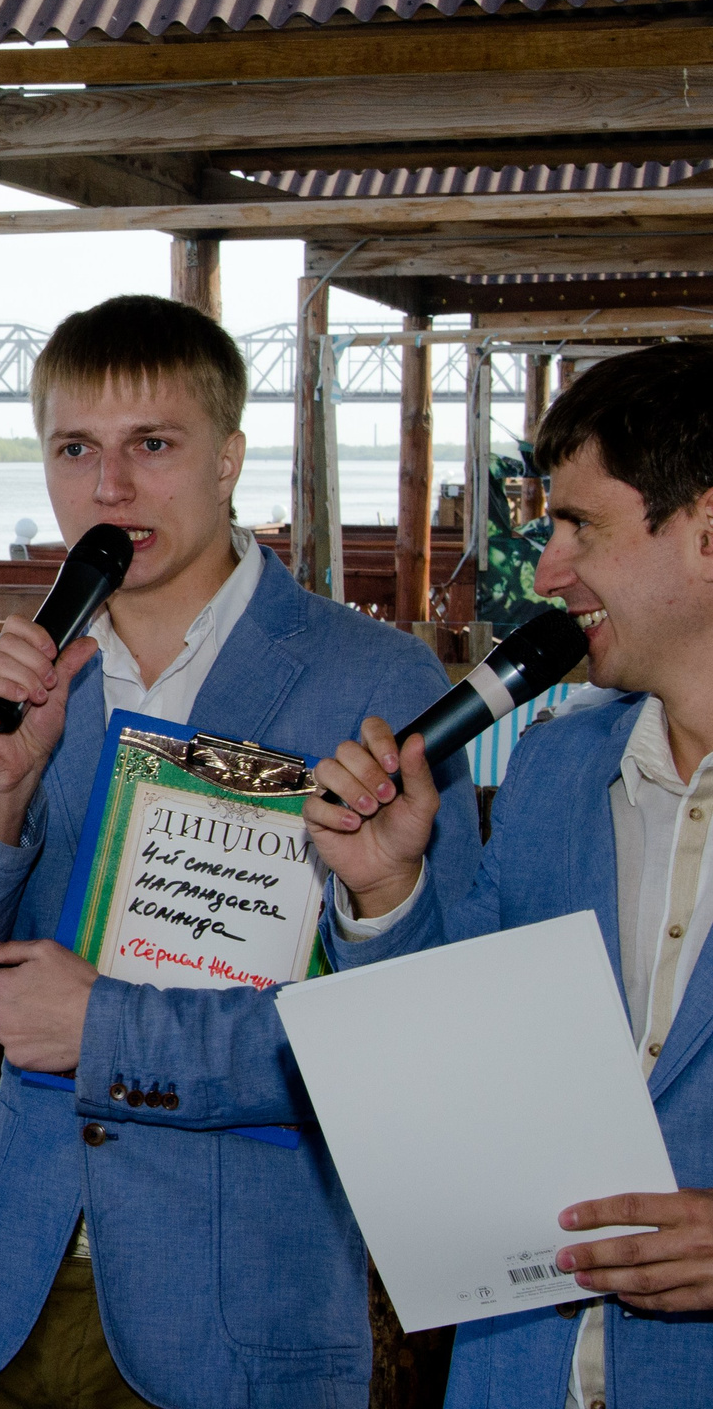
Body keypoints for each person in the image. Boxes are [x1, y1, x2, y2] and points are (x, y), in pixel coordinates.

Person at [0, 294, 483, 1409]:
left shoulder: (374, 685)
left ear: (228, 461)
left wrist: (102, 1027)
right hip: (2, 1308)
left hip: (235, 1323)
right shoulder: (14, 684)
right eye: (76, 449)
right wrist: (2, 800)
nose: (109, 490)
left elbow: (409, 1044)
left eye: (150, 445)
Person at [310, 341, 713, 1409]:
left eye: (580, 524)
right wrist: (388, 888)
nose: (545, 573)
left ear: (708, 532)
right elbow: (459, 1070)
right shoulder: (551, 768)